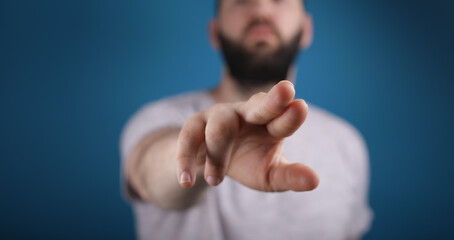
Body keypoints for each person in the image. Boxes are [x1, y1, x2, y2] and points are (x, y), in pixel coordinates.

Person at [120, 0, 373, 239]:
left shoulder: (346, 143)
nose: (261, 11)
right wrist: (198, 154)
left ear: (306, 29)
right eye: (241, 0)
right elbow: (147, 171)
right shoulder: (159, 118)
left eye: (279, 0)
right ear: (215, 33)